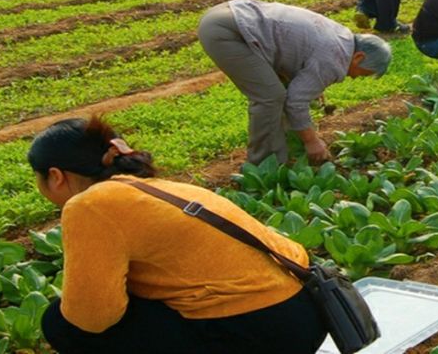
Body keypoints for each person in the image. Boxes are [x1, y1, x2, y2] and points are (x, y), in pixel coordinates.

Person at [29, 116, 328, 354]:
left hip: (261, 333)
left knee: (61, 323)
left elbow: (92, 318)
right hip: (305, 314)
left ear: (55, 176)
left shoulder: (89, 204)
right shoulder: (158, 187)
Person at [198, 0, 392, 165]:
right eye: (363, 73)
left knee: (281, 89)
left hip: (228, 13)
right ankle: (263, 165)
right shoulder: (333, 59)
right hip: (228, 32)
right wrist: (312, 141)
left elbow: (302, 53)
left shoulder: (342, 37)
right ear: (358, 57)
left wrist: (312, 82)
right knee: (270, 97)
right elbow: (296, 101)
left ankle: (285, 152)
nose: (356, 77)